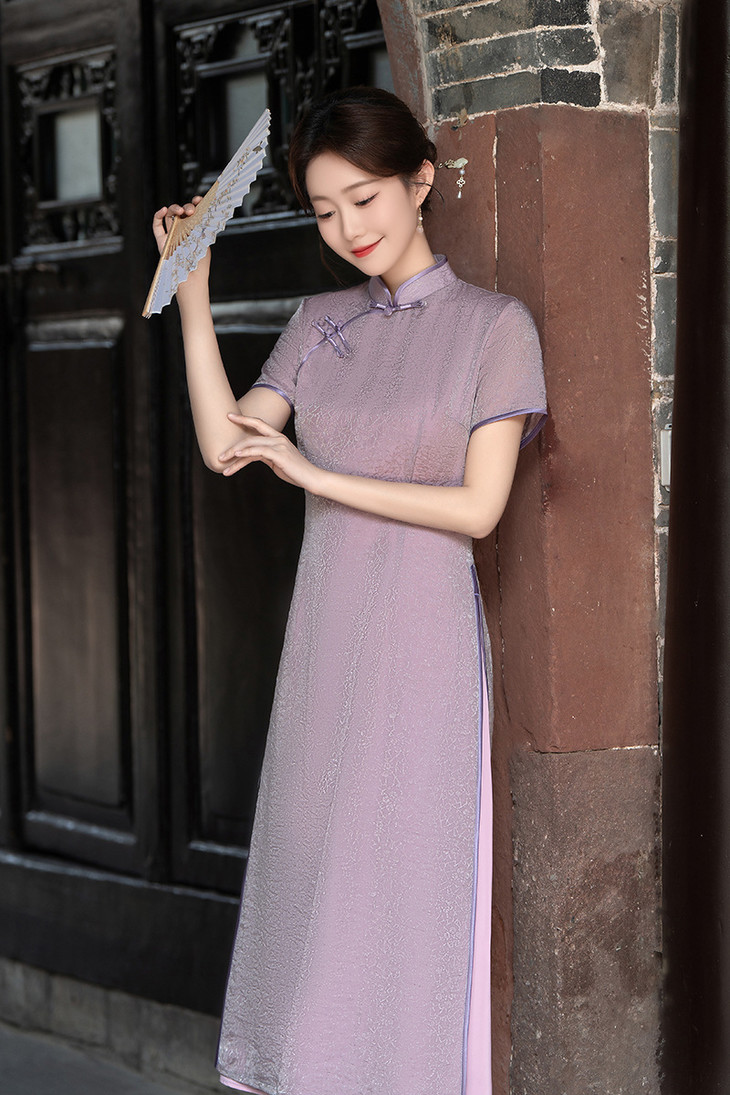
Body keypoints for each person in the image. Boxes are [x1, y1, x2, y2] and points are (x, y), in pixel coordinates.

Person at [153, 86, 546, 1095]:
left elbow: (479, 510)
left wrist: (315, 474)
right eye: (325, 211)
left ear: (420, 180)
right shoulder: (320, 322)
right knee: (312, 877)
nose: (348, 228)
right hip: (326, 641)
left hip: (423, 646)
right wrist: (191, 289)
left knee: (399, 884)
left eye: (364, 198)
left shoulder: (494, 326)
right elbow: (226, 444)